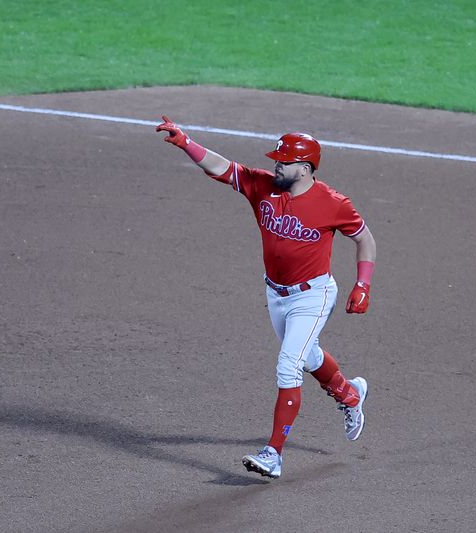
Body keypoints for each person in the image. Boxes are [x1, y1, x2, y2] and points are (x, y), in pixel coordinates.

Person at [156, 116, 376, 479]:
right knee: (307, 355)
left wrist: (363, 284)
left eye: (284, 161)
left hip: (313, 295)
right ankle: (350, 393)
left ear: (304, 169)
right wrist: (186, 142)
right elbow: (223, 168)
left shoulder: (334, 203)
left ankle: (273, 453)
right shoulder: (262, 186)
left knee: (288, 364)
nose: (276, 164)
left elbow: (365, 239)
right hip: (276, 294)